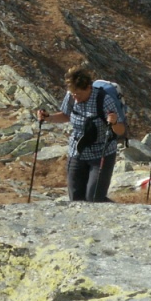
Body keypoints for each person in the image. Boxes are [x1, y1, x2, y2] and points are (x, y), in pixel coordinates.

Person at [37, 66, 126, 202]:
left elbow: (121, 130)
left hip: (102, 153)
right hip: (77, 152)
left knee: (94, 198)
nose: (75, 98)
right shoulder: (71, 96)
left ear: (89, 88)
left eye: (78, 94)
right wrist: (48, 118)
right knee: (76, 198)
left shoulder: (104, 100)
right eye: (73, 94)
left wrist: (113, 123)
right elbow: (66, 115)